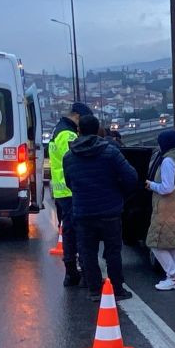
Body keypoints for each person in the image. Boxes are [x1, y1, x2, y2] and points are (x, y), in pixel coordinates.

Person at [62, 114, 139, 301]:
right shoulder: (111, 152)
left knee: (88, 252)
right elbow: (131, 177)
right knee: (113, 251)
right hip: (110, 210)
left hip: (83, 211)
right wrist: (120, 194)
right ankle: (117, 289)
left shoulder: (69, 157)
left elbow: (69, 183)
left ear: (78, 131)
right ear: (98, 130)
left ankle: (95, 290)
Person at [145, 129, 175, 291]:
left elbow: (167, 187)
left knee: (154, 243)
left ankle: (172, 276)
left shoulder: (168, 161)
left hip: (166, 208)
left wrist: (151, 185)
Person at [47, 105, 84, 286]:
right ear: (76, 116)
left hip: (61, 189)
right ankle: (76, 271)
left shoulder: (57, 129)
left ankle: (72, 271)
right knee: (76, 231)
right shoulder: (68, 134)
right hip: (71, 190)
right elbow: (76, 158)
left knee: (69, 229)